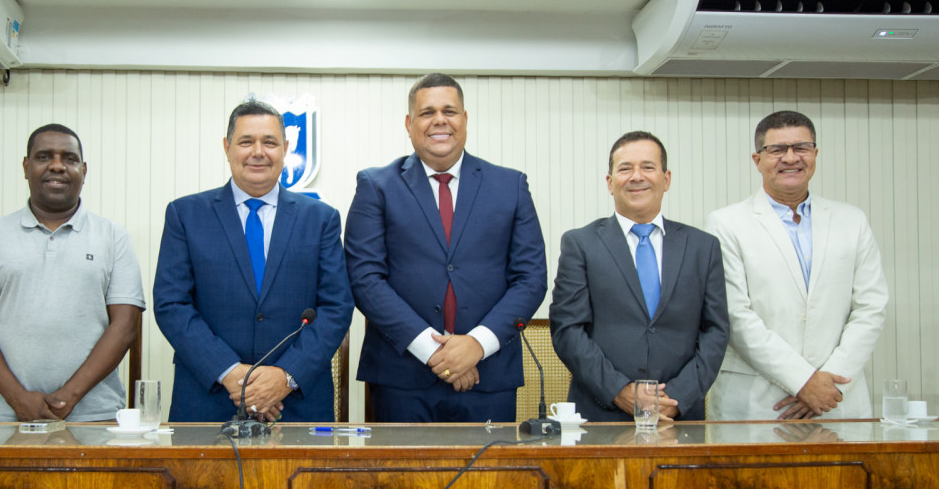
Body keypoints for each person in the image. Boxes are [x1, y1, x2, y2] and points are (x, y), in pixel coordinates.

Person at [345, 73, 547, 423]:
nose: (440, 120)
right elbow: (365, 279)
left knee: (490, 480)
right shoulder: (375, 186)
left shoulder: (510, 186)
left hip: (489, 377)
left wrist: (476, 345)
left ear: (464, 119)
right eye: (427, 113)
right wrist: (433, 351)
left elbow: (531, 278)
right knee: (401, 480)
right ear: (409, 124)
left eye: (450, 111)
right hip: (402, 381)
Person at [152, 100, 353, 422]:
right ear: (227, 146)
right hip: (210, 400)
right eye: (246, 141)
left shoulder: (321, 219)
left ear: (285, 149)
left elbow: (336, 307)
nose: (258, 152)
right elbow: (171, 304)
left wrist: (284, 376)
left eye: (270, 142)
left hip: (295, 403)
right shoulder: (186, 214)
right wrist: (231, 373)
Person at [0, 124, 144, 422]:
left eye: (69, 158)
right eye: (44, 157)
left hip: (95, 415)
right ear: (26, 167)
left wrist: (69, 396)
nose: (57, 165)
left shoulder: (113, 237)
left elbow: (125, 326)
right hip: (4, 414)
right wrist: (18, 399)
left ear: (84, 169)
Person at [706, 110, 889, 420]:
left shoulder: (851, 220)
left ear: (814, 154)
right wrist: (803, 380)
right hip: (760, 400)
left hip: (836, 395)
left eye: (801, 148)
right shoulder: (726, 223)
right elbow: (736, 315)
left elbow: (871, 307)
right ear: (757, 160)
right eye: (777, 149)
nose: (790, 158)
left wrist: (828, 379)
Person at [549, 131, 728, 422]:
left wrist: (677, 397)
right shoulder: (581, 244)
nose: (636, 176)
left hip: (679, 415)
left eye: (648, 167)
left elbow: (716, 331)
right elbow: (567, 329)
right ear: (610, 182)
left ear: (666, 179)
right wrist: (620, 391)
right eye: (624, 168)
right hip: (602, 413)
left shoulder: (702, 247)